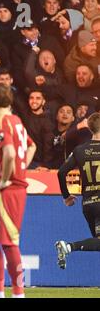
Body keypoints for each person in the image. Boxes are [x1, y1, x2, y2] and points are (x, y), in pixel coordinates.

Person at [0, 83, 37, 299]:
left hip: (10, 190)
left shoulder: (1, 122)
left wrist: (7, 178)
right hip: (12, 188)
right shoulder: (17, 122)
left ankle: (18, 294)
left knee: (8, 242)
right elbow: (31, 147)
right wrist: (21, 170)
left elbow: (9, 154)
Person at [56, 112, 100, 269]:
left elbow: (61, 172)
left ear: (89, 128)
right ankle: (69, 247)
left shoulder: (80, 150)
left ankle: (69, 247)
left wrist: (66, 196)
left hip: (88, 204)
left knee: (98, 242)